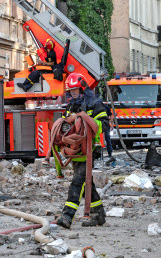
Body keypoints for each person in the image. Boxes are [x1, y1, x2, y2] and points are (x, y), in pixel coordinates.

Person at [56, 72, 109, 229]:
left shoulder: (95, 103)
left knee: (78, 181)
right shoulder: (72, 105)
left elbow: (104, 124)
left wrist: (87, 125)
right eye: (70, 91)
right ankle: (98, 214)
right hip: (75, 150)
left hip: (90, 149)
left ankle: (67, 216)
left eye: (75, 90)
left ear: (83, 88)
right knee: (87, 183)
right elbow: (66, 125)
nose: (72, 94)